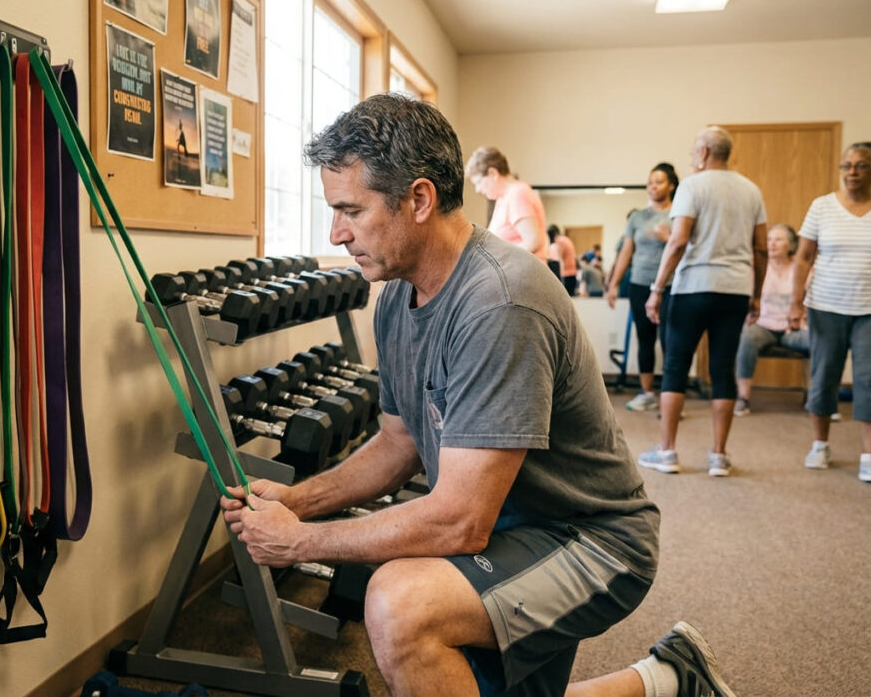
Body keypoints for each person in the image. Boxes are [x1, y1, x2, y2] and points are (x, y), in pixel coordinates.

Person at [221, 94, 736, 697]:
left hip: (590, 540)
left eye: (350, 211)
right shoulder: (395, 297)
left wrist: (302, 542)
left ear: (419, 200)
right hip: (509, 525)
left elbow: (460, 521)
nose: (336, 234)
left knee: (400, 605)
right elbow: (397, 444)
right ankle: (669, 677)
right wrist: (298, 500)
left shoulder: (500, 301)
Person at [640, 126, 767, 477]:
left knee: (676, 367)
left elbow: (678, 241)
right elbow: (760, 248)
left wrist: (656, 289)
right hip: (735, 289)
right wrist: (757, 294)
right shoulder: (751, 189)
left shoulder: (692, 186)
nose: (692, 155)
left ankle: (667, 452)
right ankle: (719, 456)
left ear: (705, 152)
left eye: (694, 149)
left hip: (693, 288)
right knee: (723, 368)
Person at [789, 142, 871, 481]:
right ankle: (820, 444)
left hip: (868, 310)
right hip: (825, 306)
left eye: (861, 165)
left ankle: (868, 455)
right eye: (846, 166)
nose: (852, 172)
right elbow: (803, 258)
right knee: (823, 376)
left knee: (868, 380)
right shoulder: (822, 206)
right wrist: (795, 302)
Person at [606, 164, 678, 412]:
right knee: (645, 338)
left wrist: (668, 238)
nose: (653, 186)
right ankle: (646, 393)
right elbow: (626, 252)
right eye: (650, 182)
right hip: (639, 284)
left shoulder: (678, 215)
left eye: (659, 181)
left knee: (670, 341)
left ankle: (671, 397)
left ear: (671, 185)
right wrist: (614, 284)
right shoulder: (637, 218)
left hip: (671, 286)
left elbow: (688, 249)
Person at [733, 224, 810, 417]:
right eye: (769, 239)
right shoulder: (757, 267)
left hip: (793, 328)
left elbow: (810, 299)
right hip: (763, 325)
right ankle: (743, 397)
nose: (772, 244)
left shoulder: (801, 268)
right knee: (747, 337)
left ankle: (814, 397)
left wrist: (803, 316)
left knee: (818, 341)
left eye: (778, 239)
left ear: (791, 245)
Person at [465, 146, 549, 263]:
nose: (477, 189)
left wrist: (498, 258)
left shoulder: (517, 193)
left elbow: (533, 241)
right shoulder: (503, 198)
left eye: (479, 182)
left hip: (525, 271)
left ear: (493, 173)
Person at [548, 224, 578, 294]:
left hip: (566, 274)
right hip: (572, 272)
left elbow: (559, 260)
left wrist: (559, 278)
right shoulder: (566, 239)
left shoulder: (559, 241)